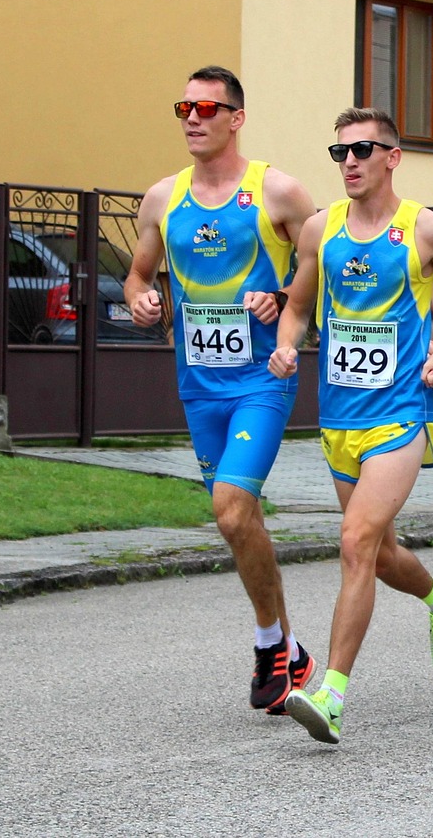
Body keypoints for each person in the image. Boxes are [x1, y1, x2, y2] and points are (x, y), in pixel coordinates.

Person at [267, 107, 433, 744]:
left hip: (400, 416)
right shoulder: (319, 231)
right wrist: (285, 344)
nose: (350, 162)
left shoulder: (429, 231)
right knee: (383, 554)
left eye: (363, 150)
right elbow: (298, 307)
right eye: (340, 153)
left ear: (393, 156)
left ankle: (331, 693)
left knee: (357, 541)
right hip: (338, 417)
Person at [124, 66, 318, 715]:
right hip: (199, 387)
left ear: (236, 118)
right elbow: (136, 277)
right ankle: (292, 645)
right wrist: (143, 303)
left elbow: (333, 263)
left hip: (263, 380)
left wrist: (286, 296)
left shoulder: (279, 192)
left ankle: (268, 645)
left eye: (208, 107)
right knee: (241, 525)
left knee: (232, 507)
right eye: (184, 105)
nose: (192, 117)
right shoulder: (161, 200)